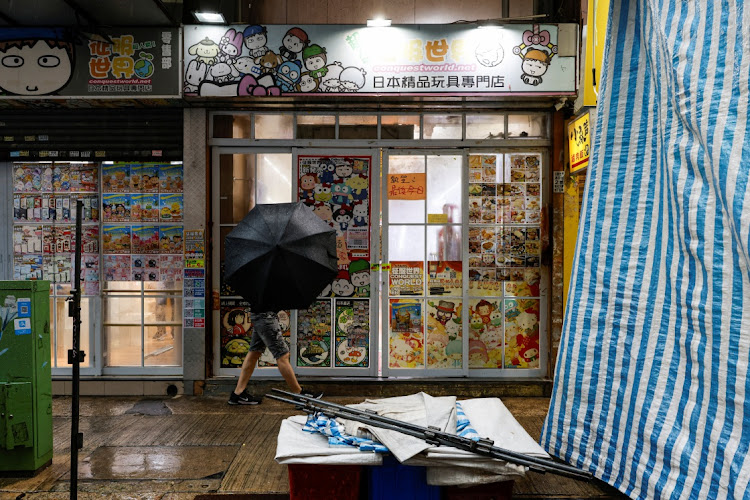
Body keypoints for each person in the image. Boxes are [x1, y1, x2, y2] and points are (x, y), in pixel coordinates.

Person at [228, 310, 320, 405]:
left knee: (254, 352)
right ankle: (299, 394)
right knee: (283, 355)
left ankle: (237, 394)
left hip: (260, 315)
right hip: (266, 317)